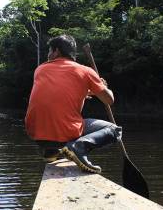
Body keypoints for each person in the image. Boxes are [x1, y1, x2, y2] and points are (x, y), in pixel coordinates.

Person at [25, 35, 122, 173]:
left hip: (38, 135)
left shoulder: (40, 70)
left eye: (49, 51)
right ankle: (79, 146)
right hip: (64, 133)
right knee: (115, 130)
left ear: (56, 51)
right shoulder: (86, 71)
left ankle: (51, 152)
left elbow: (61, 92)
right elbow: (109, 100)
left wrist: (87, 91)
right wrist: (103, 87)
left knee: (58, 120)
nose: (48, 55)